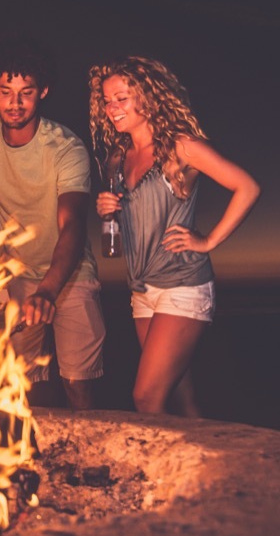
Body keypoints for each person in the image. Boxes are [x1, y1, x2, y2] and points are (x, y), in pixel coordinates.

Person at [89, 56, 260, 417]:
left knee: (146, 397)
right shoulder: (118, 159)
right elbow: (124, 230)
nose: (112, 108)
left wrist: (208, 241)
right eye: (107, 100)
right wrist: (109, 212)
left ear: (147, 97)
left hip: (182, 285)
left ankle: (159, 473)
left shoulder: (181, 148)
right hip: (141, 291)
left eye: (121, 98)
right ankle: (196, 468)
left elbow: (247, 187)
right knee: (179, 397)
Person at [0, 36, 105, 410]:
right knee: (21, 381)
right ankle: (34, 458)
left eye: (26, 92)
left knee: (76, 383)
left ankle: (92, 462)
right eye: (6, 91)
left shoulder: (66, 148)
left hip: (69, 276)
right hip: (16, 277)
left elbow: (73, 224)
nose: (15, 103)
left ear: (42, 92)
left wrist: (48, 290)